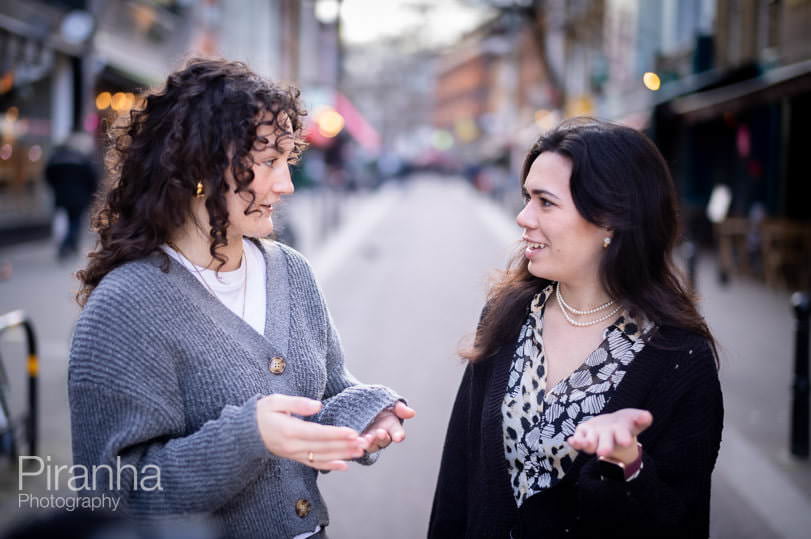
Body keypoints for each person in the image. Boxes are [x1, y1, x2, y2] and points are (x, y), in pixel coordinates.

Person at [69, 58, 415, 539]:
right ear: (200, 168)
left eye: (287, 160)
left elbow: (325, 391)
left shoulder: (291, 270)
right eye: (269, 162)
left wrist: (362, 412)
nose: (287, 184)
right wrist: (248, 438)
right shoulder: (127, 306)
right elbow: (110, 495)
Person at [429, 118, 723, 538]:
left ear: (610, 220)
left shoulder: (678, 358)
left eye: (545, 202)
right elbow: (459, 474)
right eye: (527, 197)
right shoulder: (509, 314)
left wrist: (628, 465)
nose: (522, 217)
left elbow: (681, 519)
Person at [44, 131, 99, 260]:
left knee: (71, 221)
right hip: (79, 197)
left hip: (62, 196)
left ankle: (72, 246)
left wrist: (56, 189)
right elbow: (92, 178)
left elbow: (48, 176)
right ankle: (66, 245)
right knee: (75, 222)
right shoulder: (81, 159)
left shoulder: (56, 158)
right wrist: (91, 194)